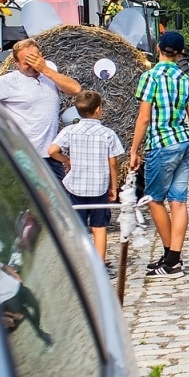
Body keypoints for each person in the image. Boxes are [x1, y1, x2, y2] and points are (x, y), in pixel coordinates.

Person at [130, 30, 189, 278]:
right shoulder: (186, 80)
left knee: (154, 199)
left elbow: (144, 117)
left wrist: (134, 149)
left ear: (158, 48)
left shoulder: (150, 77)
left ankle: (171, 259)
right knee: (178, 202)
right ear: (180, 53)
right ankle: (173, 257)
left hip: (160, 144)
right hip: (183, 143)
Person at [0, 38, 82, 176]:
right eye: (27, 62)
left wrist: (44, 69)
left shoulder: (50, 77)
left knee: (59, 196)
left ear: (41, 57)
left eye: (35, 59)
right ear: (16, 64)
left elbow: (76, 89)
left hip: (50, 156)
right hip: (23, 156)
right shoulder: (9, 81)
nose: (33, 65)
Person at [49, 91, 124, 262]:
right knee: (99, 227)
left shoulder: (70, 131)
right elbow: (113, 163)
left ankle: (81, 265)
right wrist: (113, 187)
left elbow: (52, 151)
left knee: (78, 228)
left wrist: (67, 160)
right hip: (99, 187)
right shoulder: (107, 133)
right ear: (98, 109)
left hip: (75, 187)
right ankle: (100, 265)